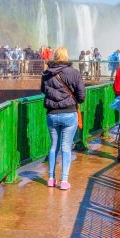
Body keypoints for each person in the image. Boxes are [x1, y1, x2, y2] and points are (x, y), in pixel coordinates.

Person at [41, 47, 86, 190]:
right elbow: (81, 96)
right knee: (66, 147)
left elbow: (43, 90)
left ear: (54, 56)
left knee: (54, 146)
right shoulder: (74, 73)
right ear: (67, 57)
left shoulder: (46, 74)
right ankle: (64, 181)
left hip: (52, 114)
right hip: (69, 113)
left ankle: (50, 178)